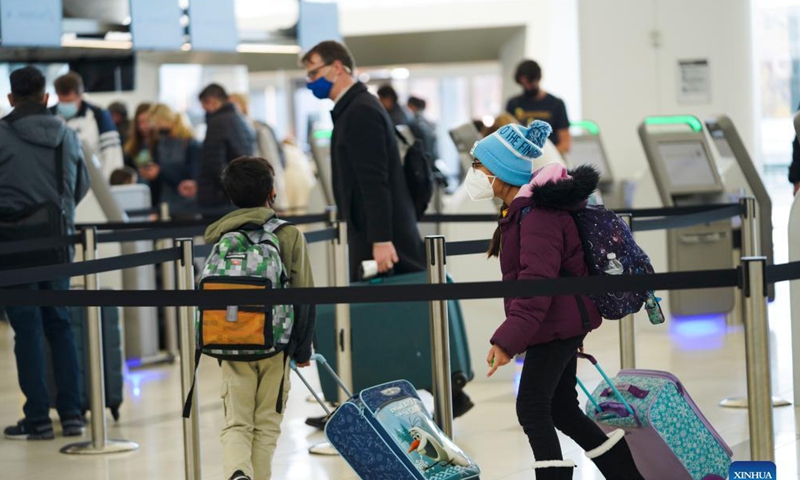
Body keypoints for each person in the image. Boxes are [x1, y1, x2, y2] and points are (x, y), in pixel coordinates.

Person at [469, 120, 643, 480]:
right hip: (558, 322)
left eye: (478, 166)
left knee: (532, 408)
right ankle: (628, 476)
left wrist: (506, 340)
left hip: (557, 324)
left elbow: (536, 285)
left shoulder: (536, 216)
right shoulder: (522, 211)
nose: (473, 173)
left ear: (499, 171)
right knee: (562, 409)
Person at [204, 156, 315, 480]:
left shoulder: (221, 236)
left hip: (231, 342)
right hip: (275, 345)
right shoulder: (288, 234)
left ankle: (238, 473)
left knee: (237, 422)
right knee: (266, 424)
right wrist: (303, 349)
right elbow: (304, 295)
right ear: (271, 192)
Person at [0, 66, 90, 440]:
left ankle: (37, 418)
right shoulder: (67, 135)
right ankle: (71, 415)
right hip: (58, 243)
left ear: (10, 99)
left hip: (11, 246)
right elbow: (81, 185)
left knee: (27, 330)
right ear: (47, 97)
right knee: (60, 324)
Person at [302, 41, 425, 279]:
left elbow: (374, 181)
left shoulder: (360, 111)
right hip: (371, 232)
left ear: (337, 67)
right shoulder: (354, 108)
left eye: (313, 72)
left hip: (379, 240)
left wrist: (381, 239)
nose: (310, 81)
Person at [51, 72, 124, 179]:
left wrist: (110, 184)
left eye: (70, 101)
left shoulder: (99, 116)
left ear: (80, 95)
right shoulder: (48, 116)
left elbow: (112, 155)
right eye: (62, 101)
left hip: (91, 183)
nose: (65, 105)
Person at [196, 84, 256, 210]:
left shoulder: (217, 122)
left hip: (218, 198)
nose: (204, 111)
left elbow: (213, 163)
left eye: (204, 106)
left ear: (212, 101)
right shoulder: (240, 119)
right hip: (239, 193)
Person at [229, 93, 288, 212]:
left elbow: (272, 164)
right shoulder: (231, 131)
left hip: (263, 194)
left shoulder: (259, 129)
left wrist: (279, 202)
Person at [141, 103, 201, 213]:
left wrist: (161, 170)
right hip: (165, 203)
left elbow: (192, 176)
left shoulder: (191, 144)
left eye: (158, 124)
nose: (157, 128)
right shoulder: (160, 143)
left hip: (188, 205)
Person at [506, 60, 572, 154]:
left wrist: (546, 156)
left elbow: (565, 143)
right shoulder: (513, 104)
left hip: (550, 158)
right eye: (523, 84)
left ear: (538, 78)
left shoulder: (556, 104)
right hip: (521, 158)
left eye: (530, 83)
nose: (527, 87)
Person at [407, 96, 439, 161]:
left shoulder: (416, 123)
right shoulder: (427, 121)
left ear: (412, 106)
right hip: (431, 157)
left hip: (423, 158)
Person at [123, 103, 153, 170]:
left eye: (147, 121)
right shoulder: (131, 144)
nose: (142, 127)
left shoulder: (162, 144)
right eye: (140, 122)